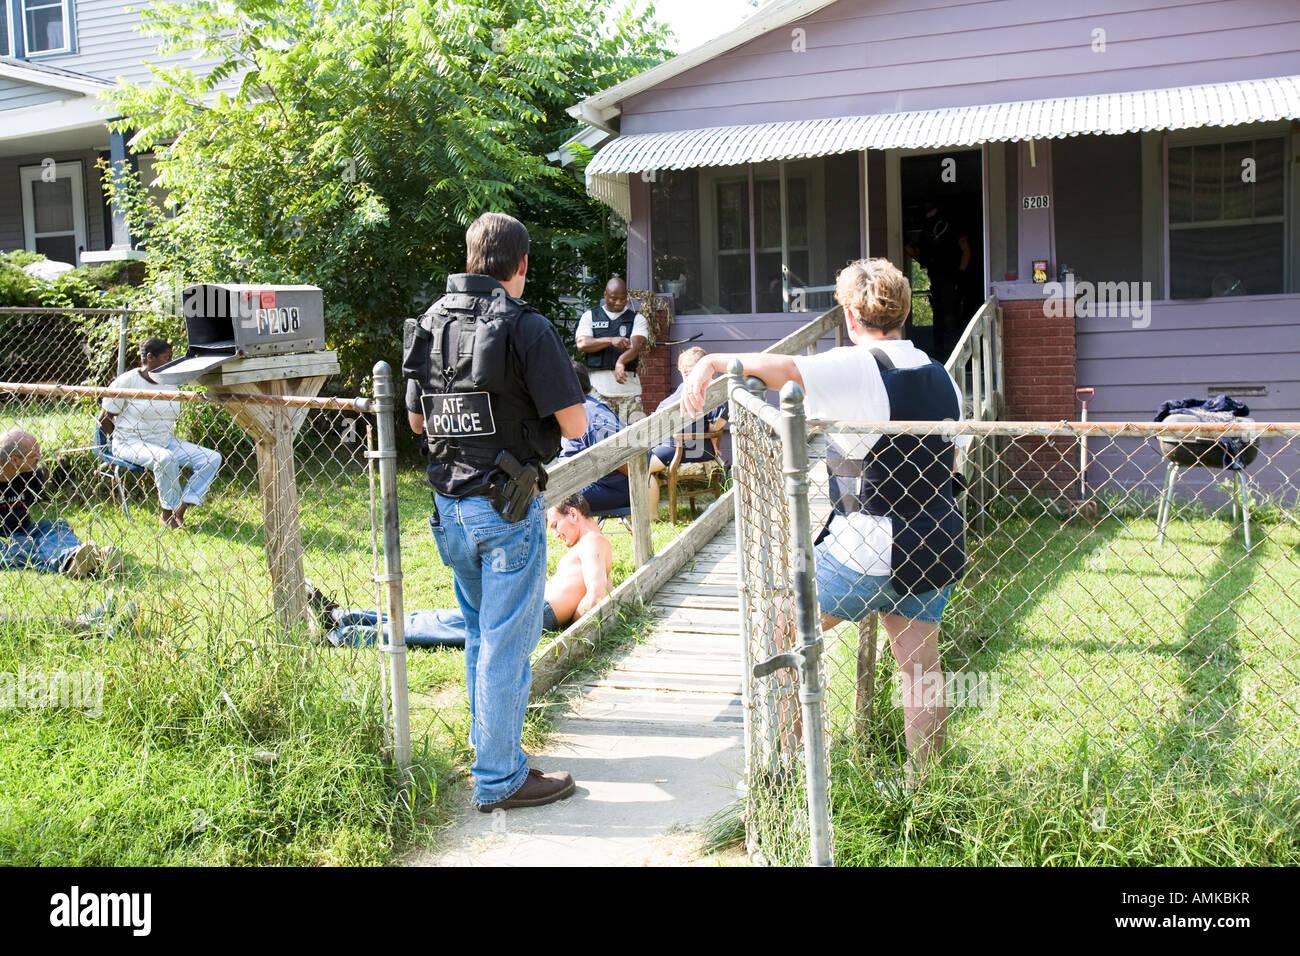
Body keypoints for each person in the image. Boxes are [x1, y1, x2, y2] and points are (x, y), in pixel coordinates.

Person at [681, 257, 967, 787]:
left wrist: (710, 362)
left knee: (781, 630)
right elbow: (950, 460)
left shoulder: (858, 366)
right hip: (937, 539)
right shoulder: (938, 372)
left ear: (851, 314)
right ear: (904, 311)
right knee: (921, 668)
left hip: (871, 545)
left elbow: (783, 371)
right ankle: (922, 787)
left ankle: (785, 772)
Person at [403, 211, 587, 813]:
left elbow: (414, 420)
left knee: (483, 636)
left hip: (447, 509)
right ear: (522, 264)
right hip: (505, 513)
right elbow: (576, 423)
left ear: (470, 256)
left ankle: (491, 753)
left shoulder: (431, 319)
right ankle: (501, 778)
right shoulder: (525, 326)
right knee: (507, 644)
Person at [317, 494, 613, 647]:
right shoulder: (591, 545)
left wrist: (568, 620)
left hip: (538, 613)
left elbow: (596, 597)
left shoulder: (592, 543)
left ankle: (346, 634)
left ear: (573, 513)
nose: (556, 534)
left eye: (555, 525)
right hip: (535, 608)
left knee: (447, 627)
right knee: (441, 618)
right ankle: (340, 617)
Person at [100, 339, 223, 529]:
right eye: (167, 358)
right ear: (150, 357)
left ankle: (179, 510)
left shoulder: (169, 381)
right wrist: (124, 438)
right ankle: (167, 516)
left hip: (164, 441)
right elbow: (105, 418)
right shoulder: (127, 381)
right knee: (165, 459)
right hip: (130, 443)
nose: (171, 362)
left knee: (211, 458)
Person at [0, 428, 118, 578]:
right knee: (22, 548)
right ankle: (75, 563)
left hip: (24, 529)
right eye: (34, 457)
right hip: (3, 538)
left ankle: (76, 557)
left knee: (56, 526)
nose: (39, 459)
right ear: (14, 460)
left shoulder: (32, 475)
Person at [648, 346, 728, 513]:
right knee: (635, 465)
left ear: (703, 368)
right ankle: (645, 513)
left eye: (689, 367)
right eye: (681, 368)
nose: (684, 370)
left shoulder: (712, 388)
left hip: (684, 447)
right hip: (667, 443)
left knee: (639, 468)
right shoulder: (683, 387)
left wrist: (712, 436)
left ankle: (650, 516)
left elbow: (721, 419)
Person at [558, 362, 634, 513]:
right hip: (584, 482)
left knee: (550, 502)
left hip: (610, 488)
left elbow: (628, 465)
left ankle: (589, 535)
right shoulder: (577, 410)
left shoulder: (593, 419)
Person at [575, 277, 649, 425]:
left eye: (623, 299)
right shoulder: (590, 316)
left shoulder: (637, 319)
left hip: (630, 394)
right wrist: (611, 340)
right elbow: (582, 343)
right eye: (614, 298)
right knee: (603, 440)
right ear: (605, 295)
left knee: (637, 440)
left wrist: (621, 362)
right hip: (598, 392)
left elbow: (636, 346)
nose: (619, 303)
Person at [905, 200, 973, 362]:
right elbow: (917, 253)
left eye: (931, 211)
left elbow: (966, 250)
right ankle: (943, 356)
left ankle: (957, 357)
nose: (929, 215)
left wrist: (960, 276)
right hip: (937, 281)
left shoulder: (952, 224)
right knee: (940, 319)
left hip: (952, 280)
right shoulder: (927, 231)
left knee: (951, 319)